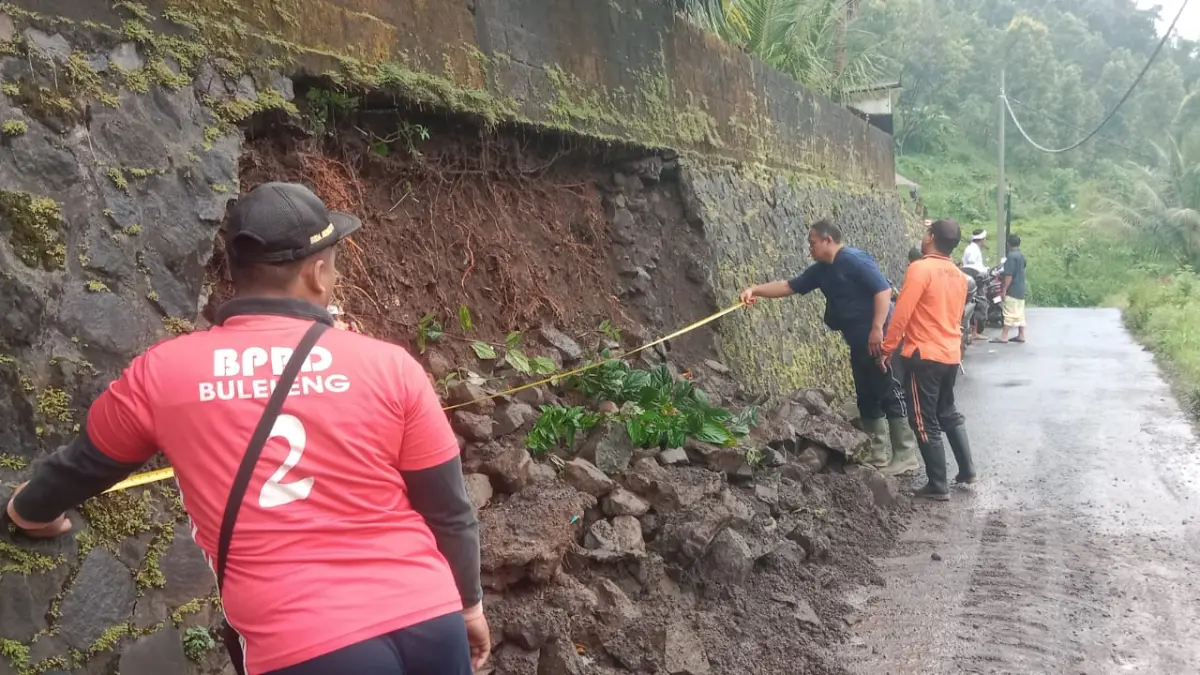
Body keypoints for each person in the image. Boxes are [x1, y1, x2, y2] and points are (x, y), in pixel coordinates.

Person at [4, 182, 489, 675]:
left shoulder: (165, 372)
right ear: (318, 274)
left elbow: (87, 464)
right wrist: (468, 606)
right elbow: (448, 508)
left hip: (302, 640)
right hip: (430, 616)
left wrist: (30, 510)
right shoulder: (391, 366)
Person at [740, 219, 918, 475]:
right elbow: (789, 286)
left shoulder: (854, 260)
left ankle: (905, 455)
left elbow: (882, 290)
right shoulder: (821, 270)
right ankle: (878, 454)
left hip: (880, 338)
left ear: (828, 240)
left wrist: (877, 329)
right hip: (857, 342)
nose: (809, 248)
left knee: (890, 392)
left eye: (812, 242)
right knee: (866, 395)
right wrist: (754, 290)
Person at [881, 219, 978, 501]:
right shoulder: (959, 276)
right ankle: (967, 469)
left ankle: (938, 484)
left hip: (924, 356)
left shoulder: (920, 269)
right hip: (950, 353)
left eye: (925, 233)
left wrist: (887, 349)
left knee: (923, 419)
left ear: (931, 237)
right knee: (947, 410)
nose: (923, 237)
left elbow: (901, 313)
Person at [994, 234, 1028, 344]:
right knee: (1019, 312)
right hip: (1021, 288)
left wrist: (1004, 289)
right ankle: (1021, 335)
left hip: (1012, 289)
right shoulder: (1021, 256)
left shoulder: (1011, 257)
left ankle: (1004, 336)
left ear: (1008, 244)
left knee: (1008, 312)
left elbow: (1008, 275)